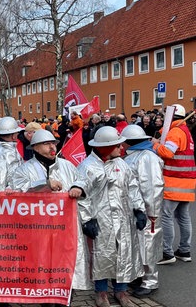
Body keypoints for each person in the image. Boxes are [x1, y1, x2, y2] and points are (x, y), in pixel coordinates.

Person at [11, 129, 92, 305]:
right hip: (38, 229)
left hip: (65, 228)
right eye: (47, 144)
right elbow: (18, 191)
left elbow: (82, 180)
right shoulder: (25, 169)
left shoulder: (66, 166)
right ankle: (46, 300)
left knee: (65, 264)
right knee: (42, 265)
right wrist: (44, 185)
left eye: (53, 143)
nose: (51, 147)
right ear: (36, 147)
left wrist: (78, 187)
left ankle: (64, 299)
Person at [72, 126, 146, 307]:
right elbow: (82, 195)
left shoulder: (122, 164)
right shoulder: (88, 167)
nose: (122, 148)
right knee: (102, 256)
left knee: (124, 255)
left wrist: (139, 209)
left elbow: (133, 187)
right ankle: (101, 292)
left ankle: (121, 291)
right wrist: (87, 219)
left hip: (123, 218)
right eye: (117, 146)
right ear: (105, 147)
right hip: (101, 220)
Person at [121, 124, 164, 298]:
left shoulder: (147, 158)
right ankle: (141, 275)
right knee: (138, 244)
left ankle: (150, 281)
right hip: (136, 210)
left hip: (147, 211)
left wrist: (152, 211)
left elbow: (152, 187)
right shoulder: (136, 156)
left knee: (148, 245)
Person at [153, 104, 196, 265]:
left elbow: (168, 152)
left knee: (166, 216)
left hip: (174, 181)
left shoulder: (176, 132)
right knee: (183, 217)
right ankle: (184, 250)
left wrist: (155, 145)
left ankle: (167, 253)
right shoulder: (183, 130)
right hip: (186, 181)